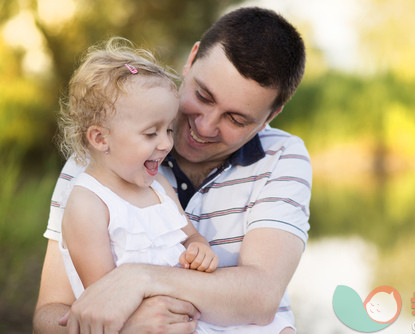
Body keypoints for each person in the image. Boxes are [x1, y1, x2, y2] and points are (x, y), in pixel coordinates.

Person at [34, 6, 310, 334]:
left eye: (236, 119)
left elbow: (261, 298)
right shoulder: (97, 162)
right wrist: (125, 326)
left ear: (271, 116)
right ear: (191, 59)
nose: (205, 127)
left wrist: (137, 280)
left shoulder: (282, 157)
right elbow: (49, 315)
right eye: (203, 96)